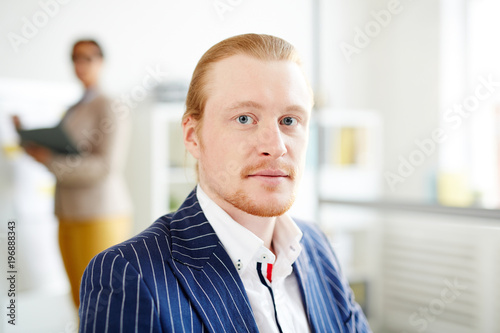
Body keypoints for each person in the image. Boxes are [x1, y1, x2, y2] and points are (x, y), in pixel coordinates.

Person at [78, 33, 370, 332]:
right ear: (193, 136)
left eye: (289, 120)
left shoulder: (318, 246)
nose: (277, 146)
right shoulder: (130, 275)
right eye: (245, 118)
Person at [15, 39, 132, 308]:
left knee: (103, 301)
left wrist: (52, 161)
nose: (81, 64)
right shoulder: (73, 107)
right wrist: (28, 139)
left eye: (88, 58)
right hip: (66, 213)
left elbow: (106, 167)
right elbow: (62, 151)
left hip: (99, 214)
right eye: (76, 58)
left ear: (101, 62)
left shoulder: (109, 106)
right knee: (79, 299)